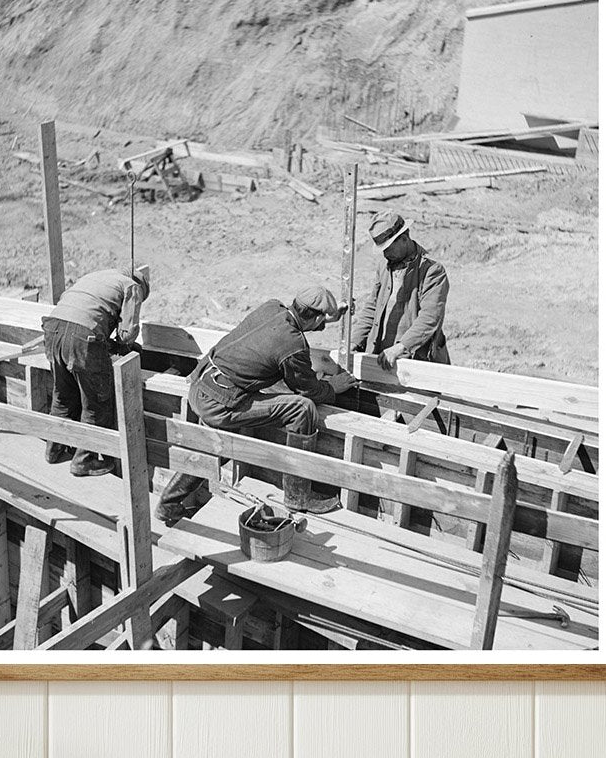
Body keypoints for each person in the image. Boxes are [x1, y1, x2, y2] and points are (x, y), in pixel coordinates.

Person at [155, 287, 359, 525]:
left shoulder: (271, 307)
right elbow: (309, 390)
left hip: (203, 385)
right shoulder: (293, 344)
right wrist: (334, 386)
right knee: (302, 408)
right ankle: (298, 496)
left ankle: (168, 505)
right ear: (316, 317)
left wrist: (330, 315)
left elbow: (274, 348)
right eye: (323, 320)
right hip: (220, 404)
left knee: (215, 446)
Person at [42, 265, 150, 477]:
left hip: (52, 329)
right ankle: (84, 461)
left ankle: (53, 449)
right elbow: (127, 333)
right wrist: (122, 343)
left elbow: (79, 309)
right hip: (82, 337)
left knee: (63, 395)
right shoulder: (132, 287)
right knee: (97, 402)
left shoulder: (95, 276)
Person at [350, 211, 451, 369]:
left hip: (416, 358)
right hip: (382, 355)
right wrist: (354, 342)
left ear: (404, 238)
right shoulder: (384, 266)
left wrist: (401, 347)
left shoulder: (431, 270)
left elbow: (430, 317)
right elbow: (372, 308)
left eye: (388, 248)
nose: (385, 253)